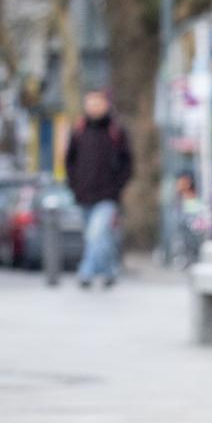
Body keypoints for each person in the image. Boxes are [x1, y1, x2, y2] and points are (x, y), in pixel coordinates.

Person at [65, 90, 132, 288]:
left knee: (96, 233)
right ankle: (109, 270)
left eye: (97, 102)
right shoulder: (79, 130)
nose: (93, 106)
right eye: (90, 102)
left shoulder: (116, 130)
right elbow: (70, 161)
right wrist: (74, 185)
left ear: (106, 104)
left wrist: (116, 187)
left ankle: (85, 272)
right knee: (99, 237)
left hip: (107, 196)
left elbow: (127, 164)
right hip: (84, 195)